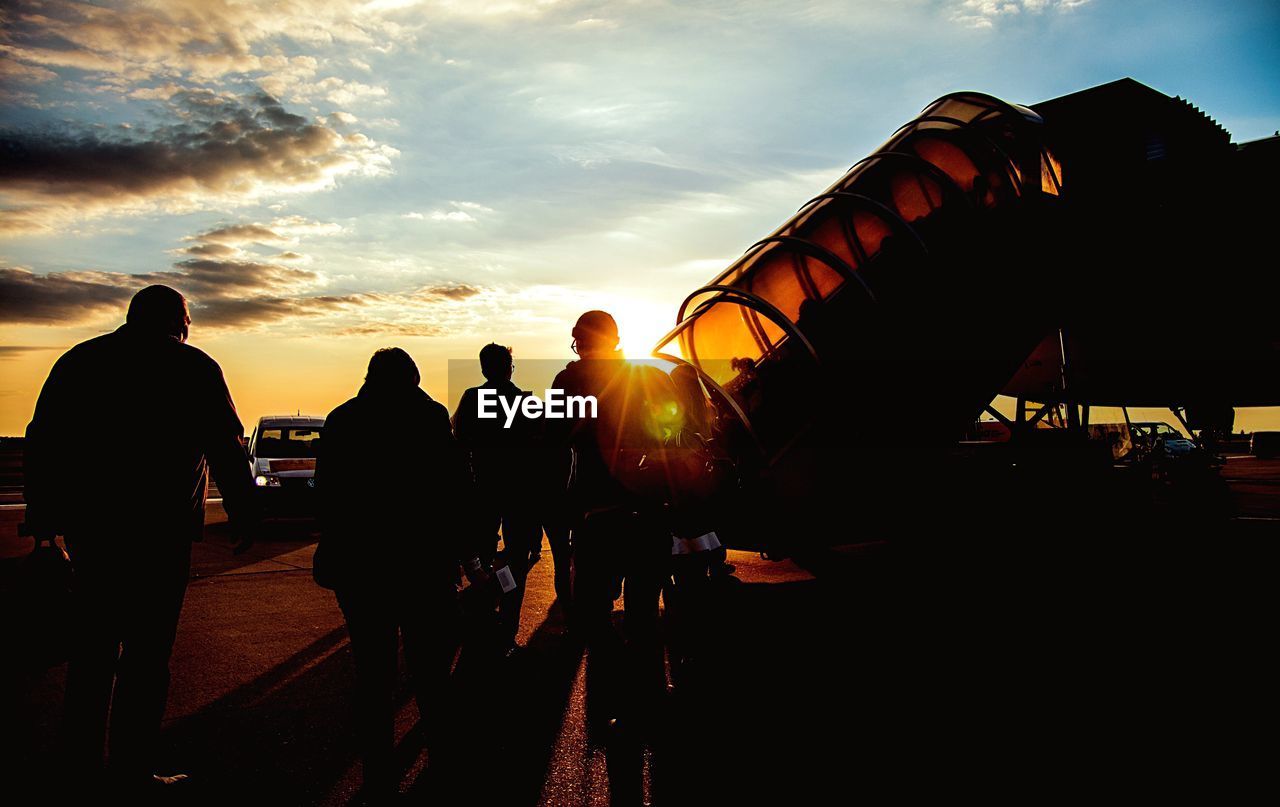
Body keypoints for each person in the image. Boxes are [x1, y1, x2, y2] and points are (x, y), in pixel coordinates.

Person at [22, 284, 258, 793]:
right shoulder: (194, 367)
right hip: (161, 532)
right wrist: (242, 512)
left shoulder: (79, 361)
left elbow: (42, 442)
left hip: (95, 532)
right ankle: (131, 769)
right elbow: (226, 446)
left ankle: (79, 765)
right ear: (180, 321)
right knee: (148, 658)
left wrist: (44, 525)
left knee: (92, 652)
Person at [313, 347, 488, 802]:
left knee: (373, 671)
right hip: (423, 564)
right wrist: (470, 556)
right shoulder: (429, 418)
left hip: (360, 566)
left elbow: (327, 494)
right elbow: (458, 490)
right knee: (430, 669)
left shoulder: (342, 419)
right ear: (413, 377)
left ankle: (378, 772)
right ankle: (442, 760)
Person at [548, 311, 678, 731]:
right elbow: (675, 429)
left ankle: (612, 700)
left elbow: (556, 440)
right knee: (644, 611)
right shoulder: (648, 378)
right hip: (649, 509)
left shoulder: (569, 383)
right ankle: (650, 697)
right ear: (617, 339)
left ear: (578, 342)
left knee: (593, 614)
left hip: (597, 514)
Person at [451, 343, 543, 653]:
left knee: (482, 558)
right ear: (510, 367)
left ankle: (484, 617)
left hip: (483, 490)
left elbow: (459, 441)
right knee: (516, 560)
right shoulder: (526, 402)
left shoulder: (472, 399)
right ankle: (507, 623)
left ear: (483, 368)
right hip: (520, 492)